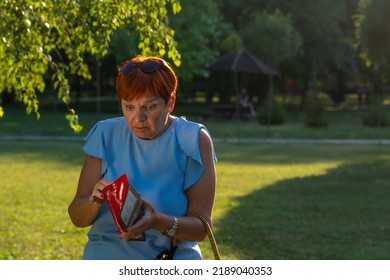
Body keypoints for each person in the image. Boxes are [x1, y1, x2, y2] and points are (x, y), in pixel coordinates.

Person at [68, 55, 217, 260]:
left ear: (170, 102)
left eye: (149, 107)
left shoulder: (193, 139)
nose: (138, 119)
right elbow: (77, 217)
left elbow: (201, 228)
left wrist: (157, 221)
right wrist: (93, 201)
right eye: (129, 107)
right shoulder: (105, 133)